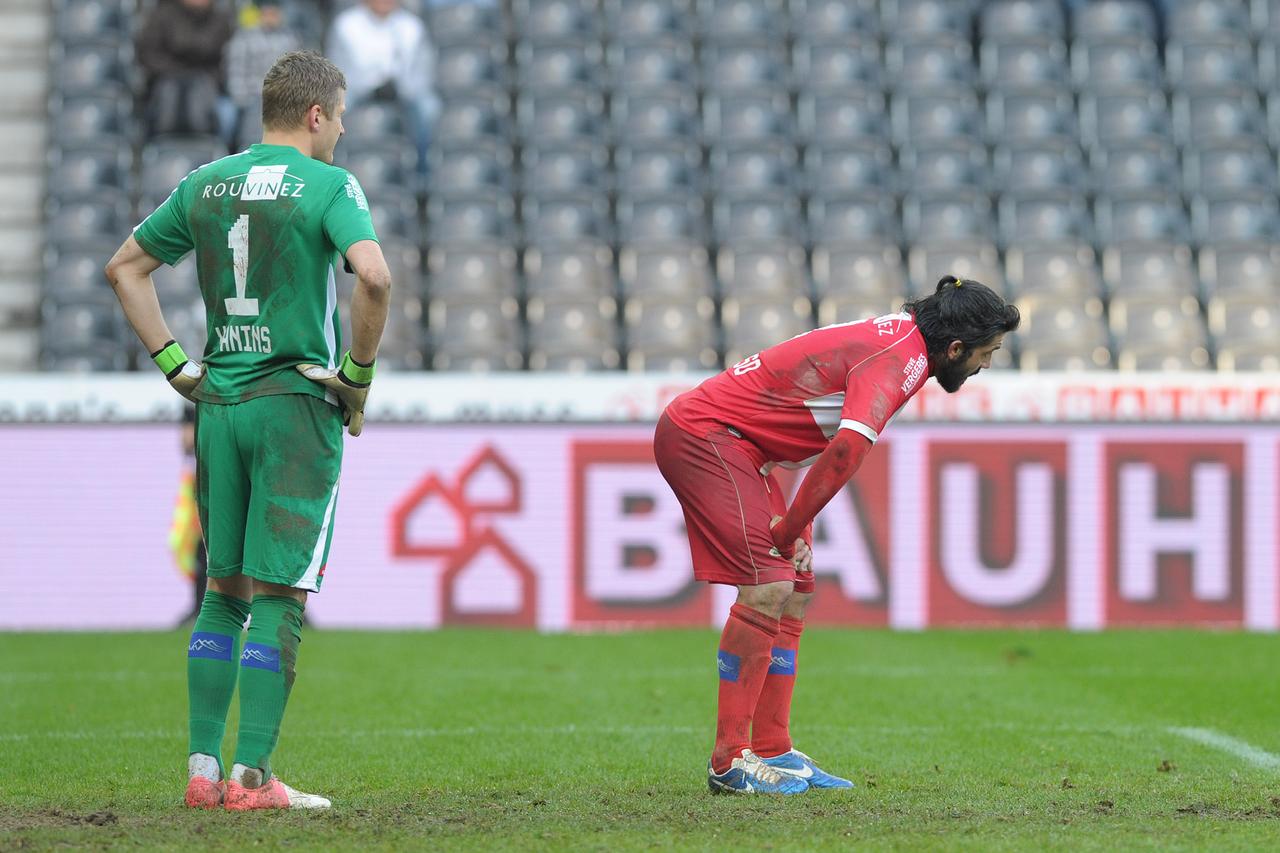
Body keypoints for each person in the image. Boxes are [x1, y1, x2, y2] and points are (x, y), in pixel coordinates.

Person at [104, 50, 392, 811]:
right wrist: (357, 377)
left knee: (221, 590)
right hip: (294, 405)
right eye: (341, 116)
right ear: (316, 115)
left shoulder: (206, 182)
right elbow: (375, 275)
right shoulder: (330, 184)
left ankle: (202, 773)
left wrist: (174, 363)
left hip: (219, 403)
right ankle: (254, 779)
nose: (343, 131)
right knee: (280, 595)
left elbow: (125, 267)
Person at [654, 276, 1020, 795]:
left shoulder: (902, 341)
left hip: (744, 446)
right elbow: (846, 449)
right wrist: (785, 528)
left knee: (797, 585)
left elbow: (798, 431)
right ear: (956, 347)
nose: (985, 365)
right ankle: (729, 761)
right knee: (768, 587)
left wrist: (794, 525)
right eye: (987, 353)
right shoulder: (902, 356)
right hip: (707, 436)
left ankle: (773, 750)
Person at [325, 0, 440, 172]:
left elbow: (422, 75)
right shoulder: (346, 25)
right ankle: (334, 166)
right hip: (357, 90)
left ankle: (422, 170)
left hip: (402, 91)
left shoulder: (412, 26)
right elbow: (336, 72)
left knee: (429, 108)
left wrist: (401, 88)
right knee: (333, 107)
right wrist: (370, 87)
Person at [135, 0, 236, 138]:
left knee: (229, 114)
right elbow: (147, 54)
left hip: (209, 84)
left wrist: (203, 75)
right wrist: (177, 72)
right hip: (166, 82)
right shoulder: (162, 15)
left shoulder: (221, 19)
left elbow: (227, 59)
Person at [226, 0, 301, 145]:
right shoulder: (245, 37)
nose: (271, 16)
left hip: (282, 97)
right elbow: (236, 73)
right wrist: (244, 101)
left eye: (275, 13)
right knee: (231, 118)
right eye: (268, 12)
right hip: (252, 98)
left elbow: (296, 71)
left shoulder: (290, 38)